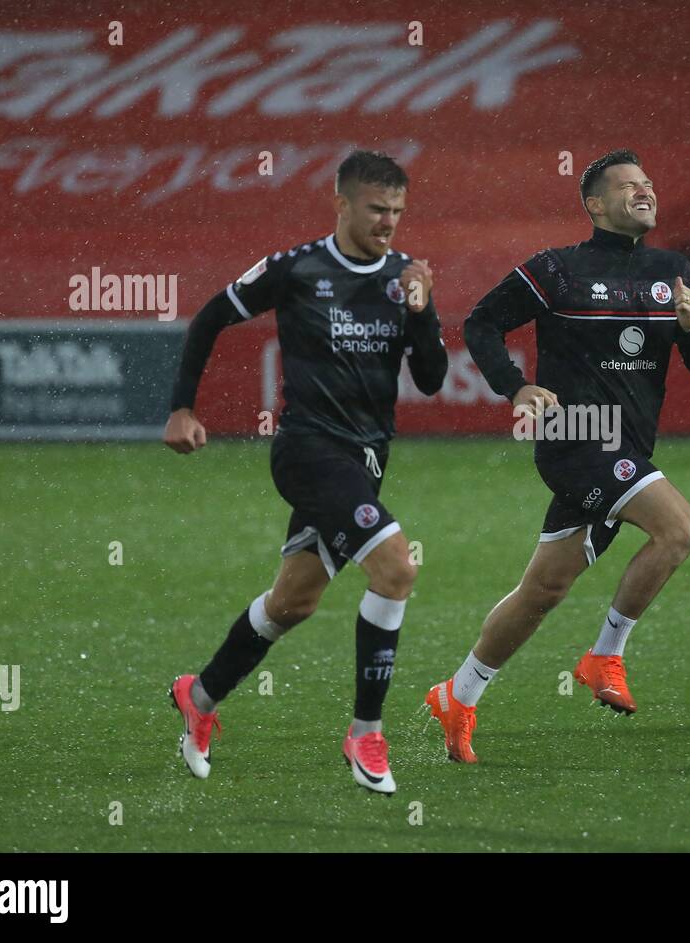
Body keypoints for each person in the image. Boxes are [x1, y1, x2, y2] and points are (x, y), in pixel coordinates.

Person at [425, 149, 690, 763]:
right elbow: (483, 322)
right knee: (680, 530)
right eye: (627, 187)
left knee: (544, 590)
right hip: (577, 437)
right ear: (594, 205)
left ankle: (458, 694)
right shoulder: (558, 270)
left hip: (628, 450)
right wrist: (515, 385)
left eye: (649, 183)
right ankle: (605, 655)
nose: (644, 192)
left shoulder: (673, 271)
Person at [163, 150, 447, 793]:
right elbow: (211, 317)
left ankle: (200, 697)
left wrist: (423, 312)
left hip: (366, 463)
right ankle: (366, 733)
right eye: (377, 208)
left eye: (398, 211)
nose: (388, 222)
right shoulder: (296, 269)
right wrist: (182, 408)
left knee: (293, 602)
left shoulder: (405, 276)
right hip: (308, 451)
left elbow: (431, 381)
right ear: (341, 203)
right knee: (397, 567)